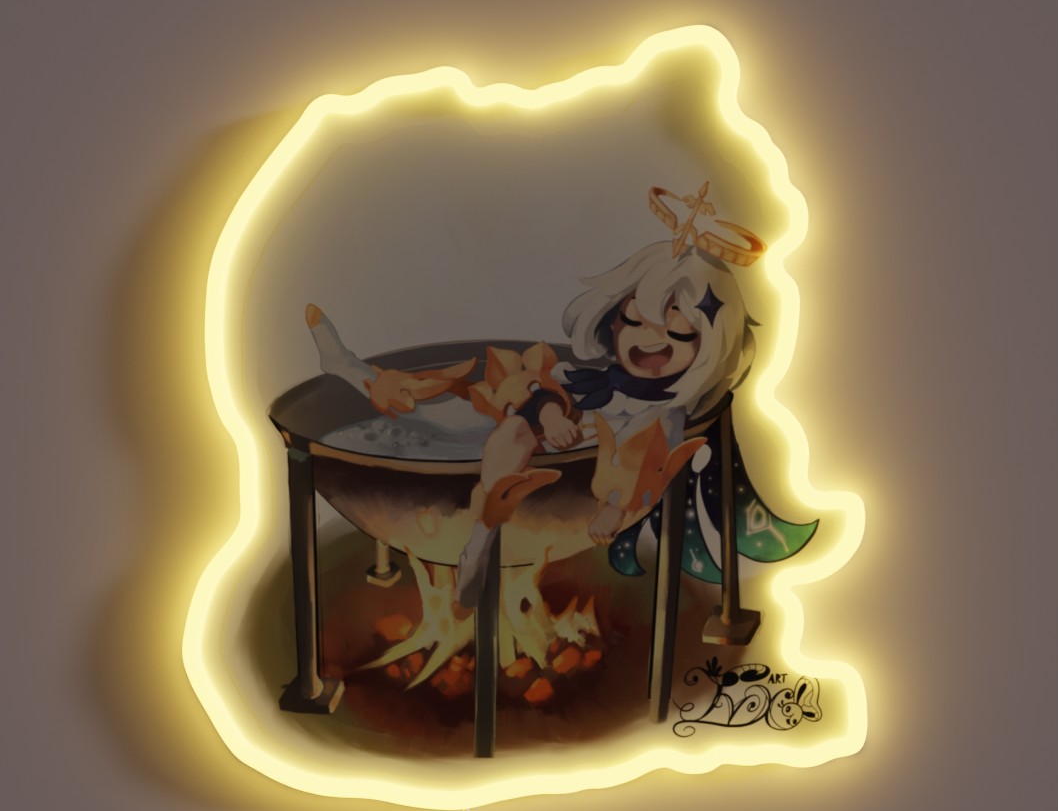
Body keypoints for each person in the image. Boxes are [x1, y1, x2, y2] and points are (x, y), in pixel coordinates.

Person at [308, 183, 763, 606]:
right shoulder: (603, 380)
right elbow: (550, 391)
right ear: (612, 320)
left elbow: (648, 463)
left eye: (677, 333)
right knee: (435, 413)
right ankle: (347, 367)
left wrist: (613, 509)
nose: (648, 339)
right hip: (527, 429)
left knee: (492, 429)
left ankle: (479, 541)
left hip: (540, 458)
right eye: (634, 320)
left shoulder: (665, 414)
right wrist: (550, 416)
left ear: (710, 345)